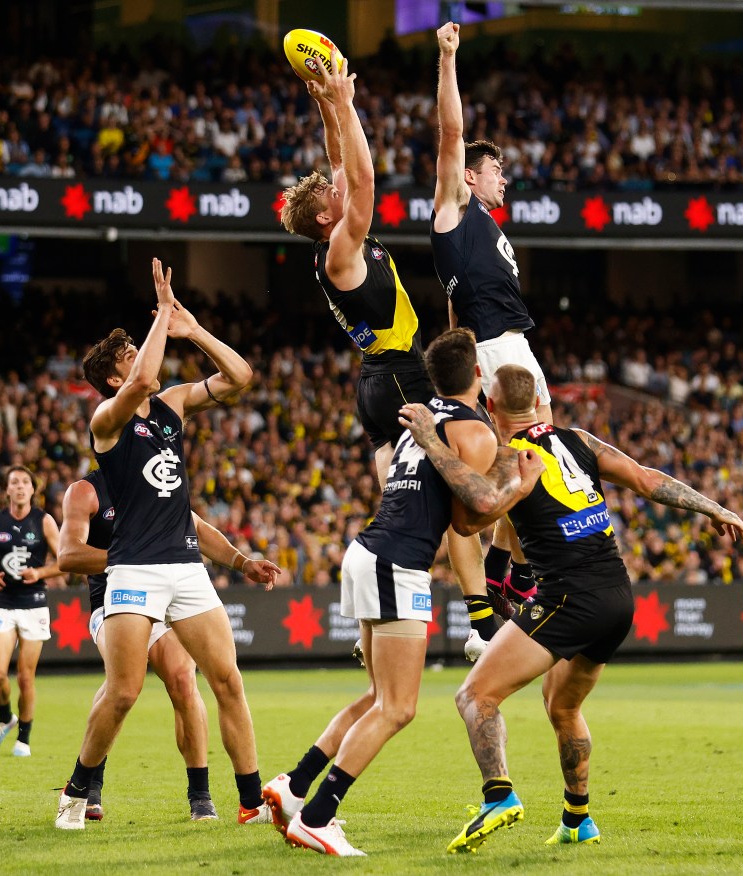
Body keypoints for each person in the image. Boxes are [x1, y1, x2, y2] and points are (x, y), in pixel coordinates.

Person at [399, 363, 743, 852]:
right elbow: (648, 480)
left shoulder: (511, 457)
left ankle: (498, 796)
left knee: (474, 697)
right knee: (563, 706)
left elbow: (471, 516)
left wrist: (433, 444)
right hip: (617, 596)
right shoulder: (580, 440)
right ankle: (578, 819)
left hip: (568, 597)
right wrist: (715, 507)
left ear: (492, 407)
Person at [260, 329, 544, 856]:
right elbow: (467, 520)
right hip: (397, 564)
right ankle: (318, 817)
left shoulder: (422, 419)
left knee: (376, 697)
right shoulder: (474, 432)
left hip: (369, 551)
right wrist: (519, 485)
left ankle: (294, 787)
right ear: (478, 376)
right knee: (397, 708)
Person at [278, 46, 496, 661]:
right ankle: (480, 620)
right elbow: (363, 178)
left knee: (398, 499)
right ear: (326, 214)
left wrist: (327, 104)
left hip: (376, 383)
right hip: (401, 375)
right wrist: (347, 103)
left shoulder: (336, 238)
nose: (336, 185)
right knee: (449, 491)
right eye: (330, 192)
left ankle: (372, 622)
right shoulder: (341, 246)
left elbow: (341, 160)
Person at [55, 258, 267, 830]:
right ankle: (77, 789)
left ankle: (250, 800)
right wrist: (162, 312)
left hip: (186, 567)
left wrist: (193, 329)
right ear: (110, 379)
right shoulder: (107, 420)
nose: (143, 358)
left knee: (225, 680)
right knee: (123, 691)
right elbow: (143, 379)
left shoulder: (172, 404)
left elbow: (242, 377)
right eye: (128, 357)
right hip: (134, 571)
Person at [58, 468, 281, 821]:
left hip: (167, 596)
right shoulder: (86, 491)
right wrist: (135, 556)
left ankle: (201, 797)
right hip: (113, 599)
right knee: (123, 689)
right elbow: (67, 556)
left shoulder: (158, 481)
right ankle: (86, 785)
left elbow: (199, 531)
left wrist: (242, 562)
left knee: (182, 678)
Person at [432, 21, 555, 626]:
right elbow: (451, 130)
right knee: (528, 453)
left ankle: (509, 571)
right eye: (497, 171)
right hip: (498, 346)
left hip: (506, 343)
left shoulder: (488, 228)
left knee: (536, 452)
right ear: (471, 176)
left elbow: (454, 307)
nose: (504, 179)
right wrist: (448, 58)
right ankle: (506, 579)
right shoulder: (455, 207)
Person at [0, 464, 63, 757]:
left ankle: (23, 738)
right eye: (14, 482)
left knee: (25, 677)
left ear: (32, 489)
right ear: (7, 489)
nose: (20, 486)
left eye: (25, 481)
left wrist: (40, 573)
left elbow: (65, 560)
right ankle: (5, 719)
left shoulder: (44, 521)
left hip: (35, 603)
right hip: (5, 602)